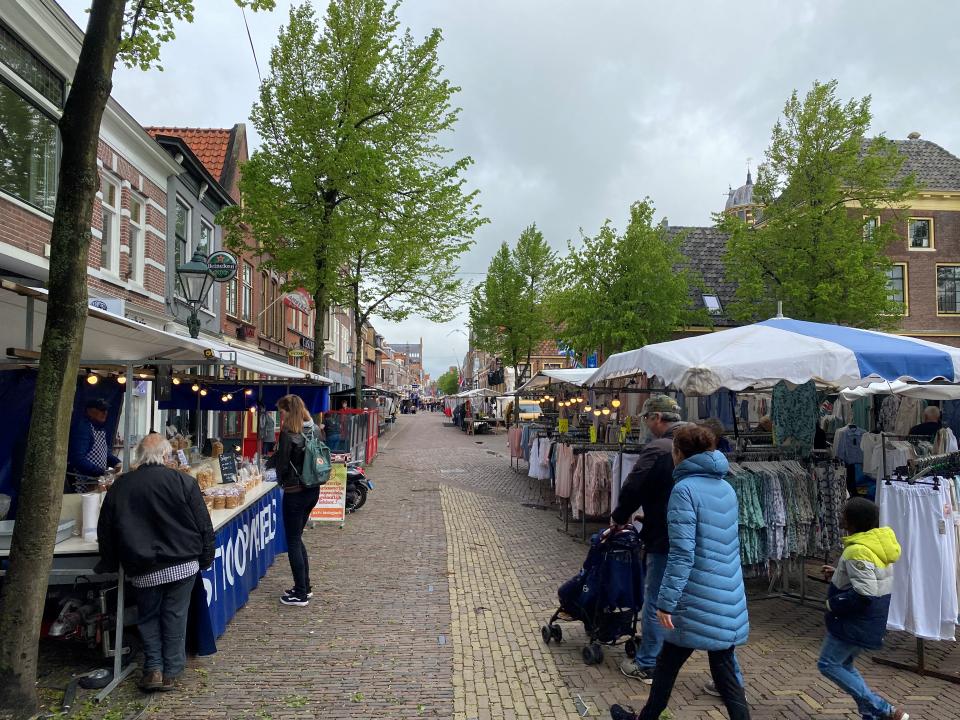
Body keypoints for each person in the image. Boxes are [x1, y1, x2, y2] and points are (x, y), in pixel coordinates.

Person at [611, 425, 750, 720]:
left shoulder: (684, 490)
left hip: (694, 597)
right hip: (725, 594)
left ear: (679, 454)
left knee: (669, 664)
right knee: (722, 672)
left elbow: (683, 553)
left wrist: (666, 602)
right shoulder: (726, 487)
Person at [96, 433, 214, 693]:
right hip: (182, 562)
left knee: (148, 617)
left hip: (143, 565)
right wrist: (206, 557)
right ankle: (172, 670)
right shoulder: (183, 482)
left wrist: (109, 562)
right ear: (165, 455)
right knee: (176, 615)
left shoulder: (121, 486)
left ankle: (154, 669)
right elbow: (203, 525)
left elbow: (106, 529)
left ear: (139, 456)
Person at [612, 394, 686, 683]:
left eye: (645, 418)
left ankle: (649, 663)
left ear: (657, 417)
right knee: (698, 602)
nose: (645, 423)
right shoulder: (702, 445)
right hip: (700, 537)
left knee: (656, 598)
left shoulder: (659, 448)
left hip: (666, 538)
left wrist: (620, 517)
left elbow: (634, 487)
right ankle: (728, 679)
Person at [818, 498, 908, 720]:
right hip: (868, 620)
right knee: (844, 665)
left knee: (828, 664)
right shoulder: (875, 544)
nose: (840, 517)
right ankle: (871, 714)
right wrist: (840, 573)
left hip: (854, 621)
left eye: (844, 514)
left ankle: (884, 709)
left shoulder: (858, 550)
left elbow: (864, 593)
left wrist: (832, 604)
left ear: (852, 521)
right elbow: (870, 578)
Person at [274, 394, 321, 607]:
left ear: (288, 411)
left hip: (295, 492)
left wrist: (279, 479)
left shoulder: (288, 433)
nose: (281, 416)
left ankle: (300, 593)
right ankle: (305, 587)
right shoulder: (315, 429)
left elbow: (283, 465)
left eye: (282, 412)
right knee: (297, 538)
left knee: (292, 540)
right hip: (312, 489)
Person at [66, 398, 122, 492]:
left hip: (95, 482)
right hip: (81, 483)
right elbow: (77, 458)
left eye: (106, 410)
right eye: (101, 410)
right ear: (90, 411)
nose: (105, 413)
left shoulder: (100, 429)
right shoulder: (82, 428)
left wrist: (117, 462)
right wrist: (100, 472)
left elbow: (104, 453)